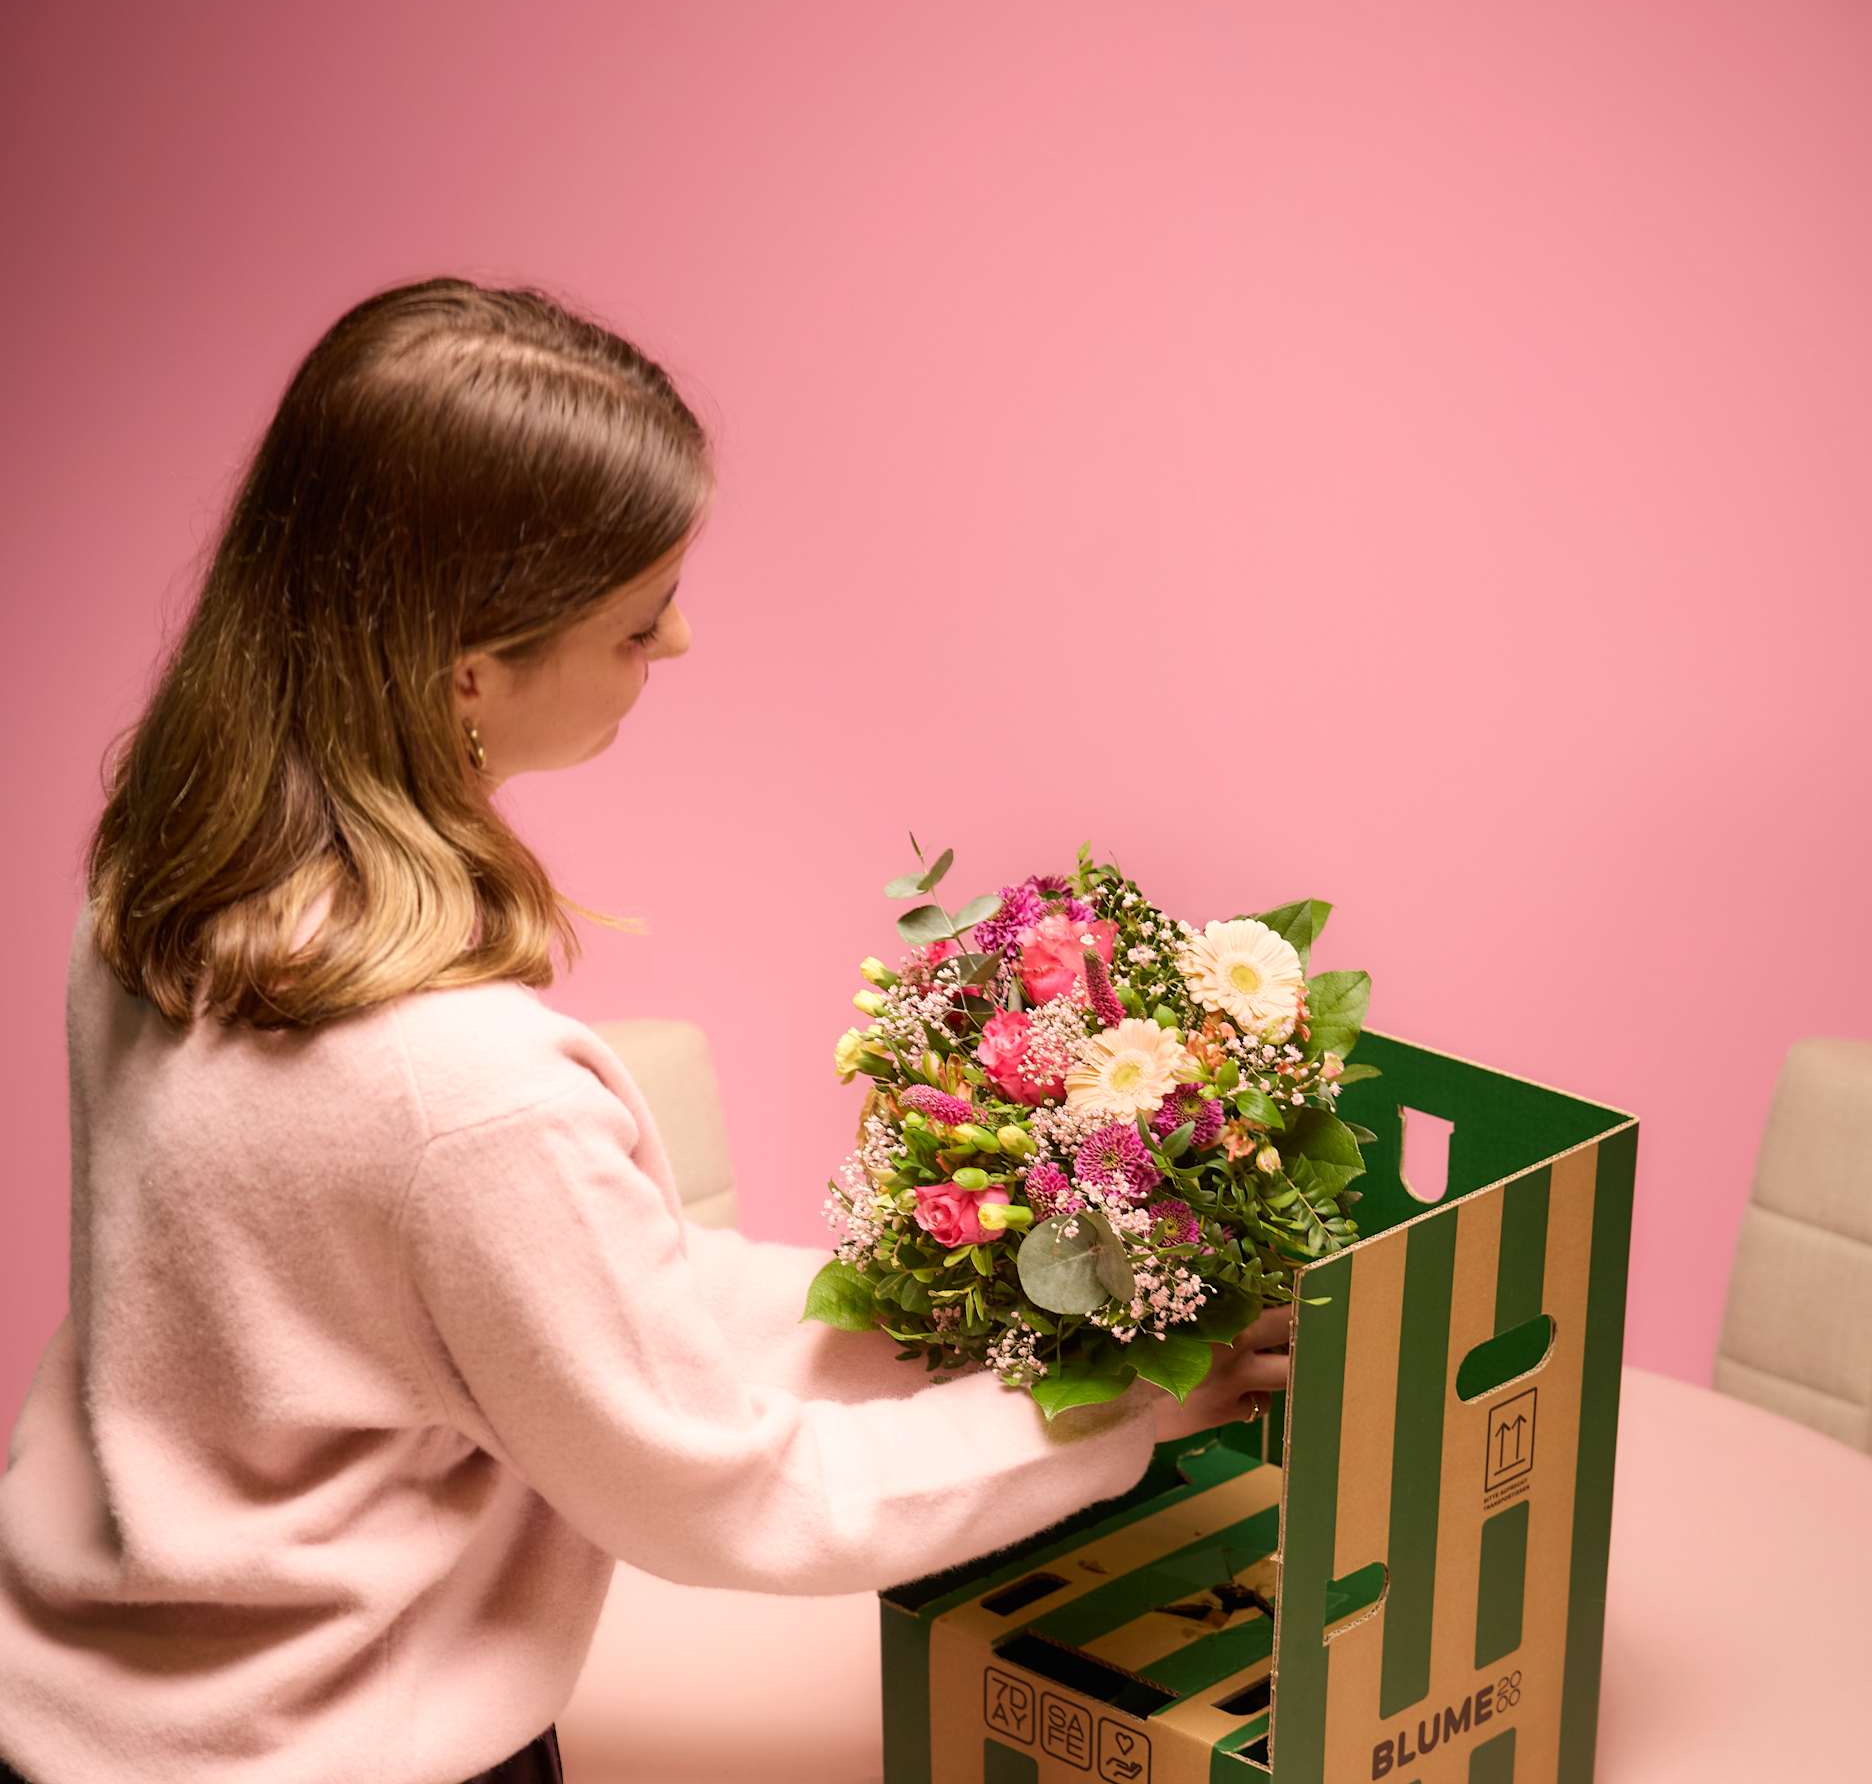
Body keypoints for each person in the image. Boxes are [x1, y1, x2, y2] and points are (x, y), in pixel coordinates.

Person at [0, 280, 1290, 1784]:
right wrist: (1121, 1407)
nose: (675, 639)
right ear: (468, 669)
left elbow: (569, 1298)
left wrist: (972, 1308)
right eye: (631, 619)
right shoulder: (471, 1095)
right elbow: (733, 1500)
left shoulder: (153, 903)